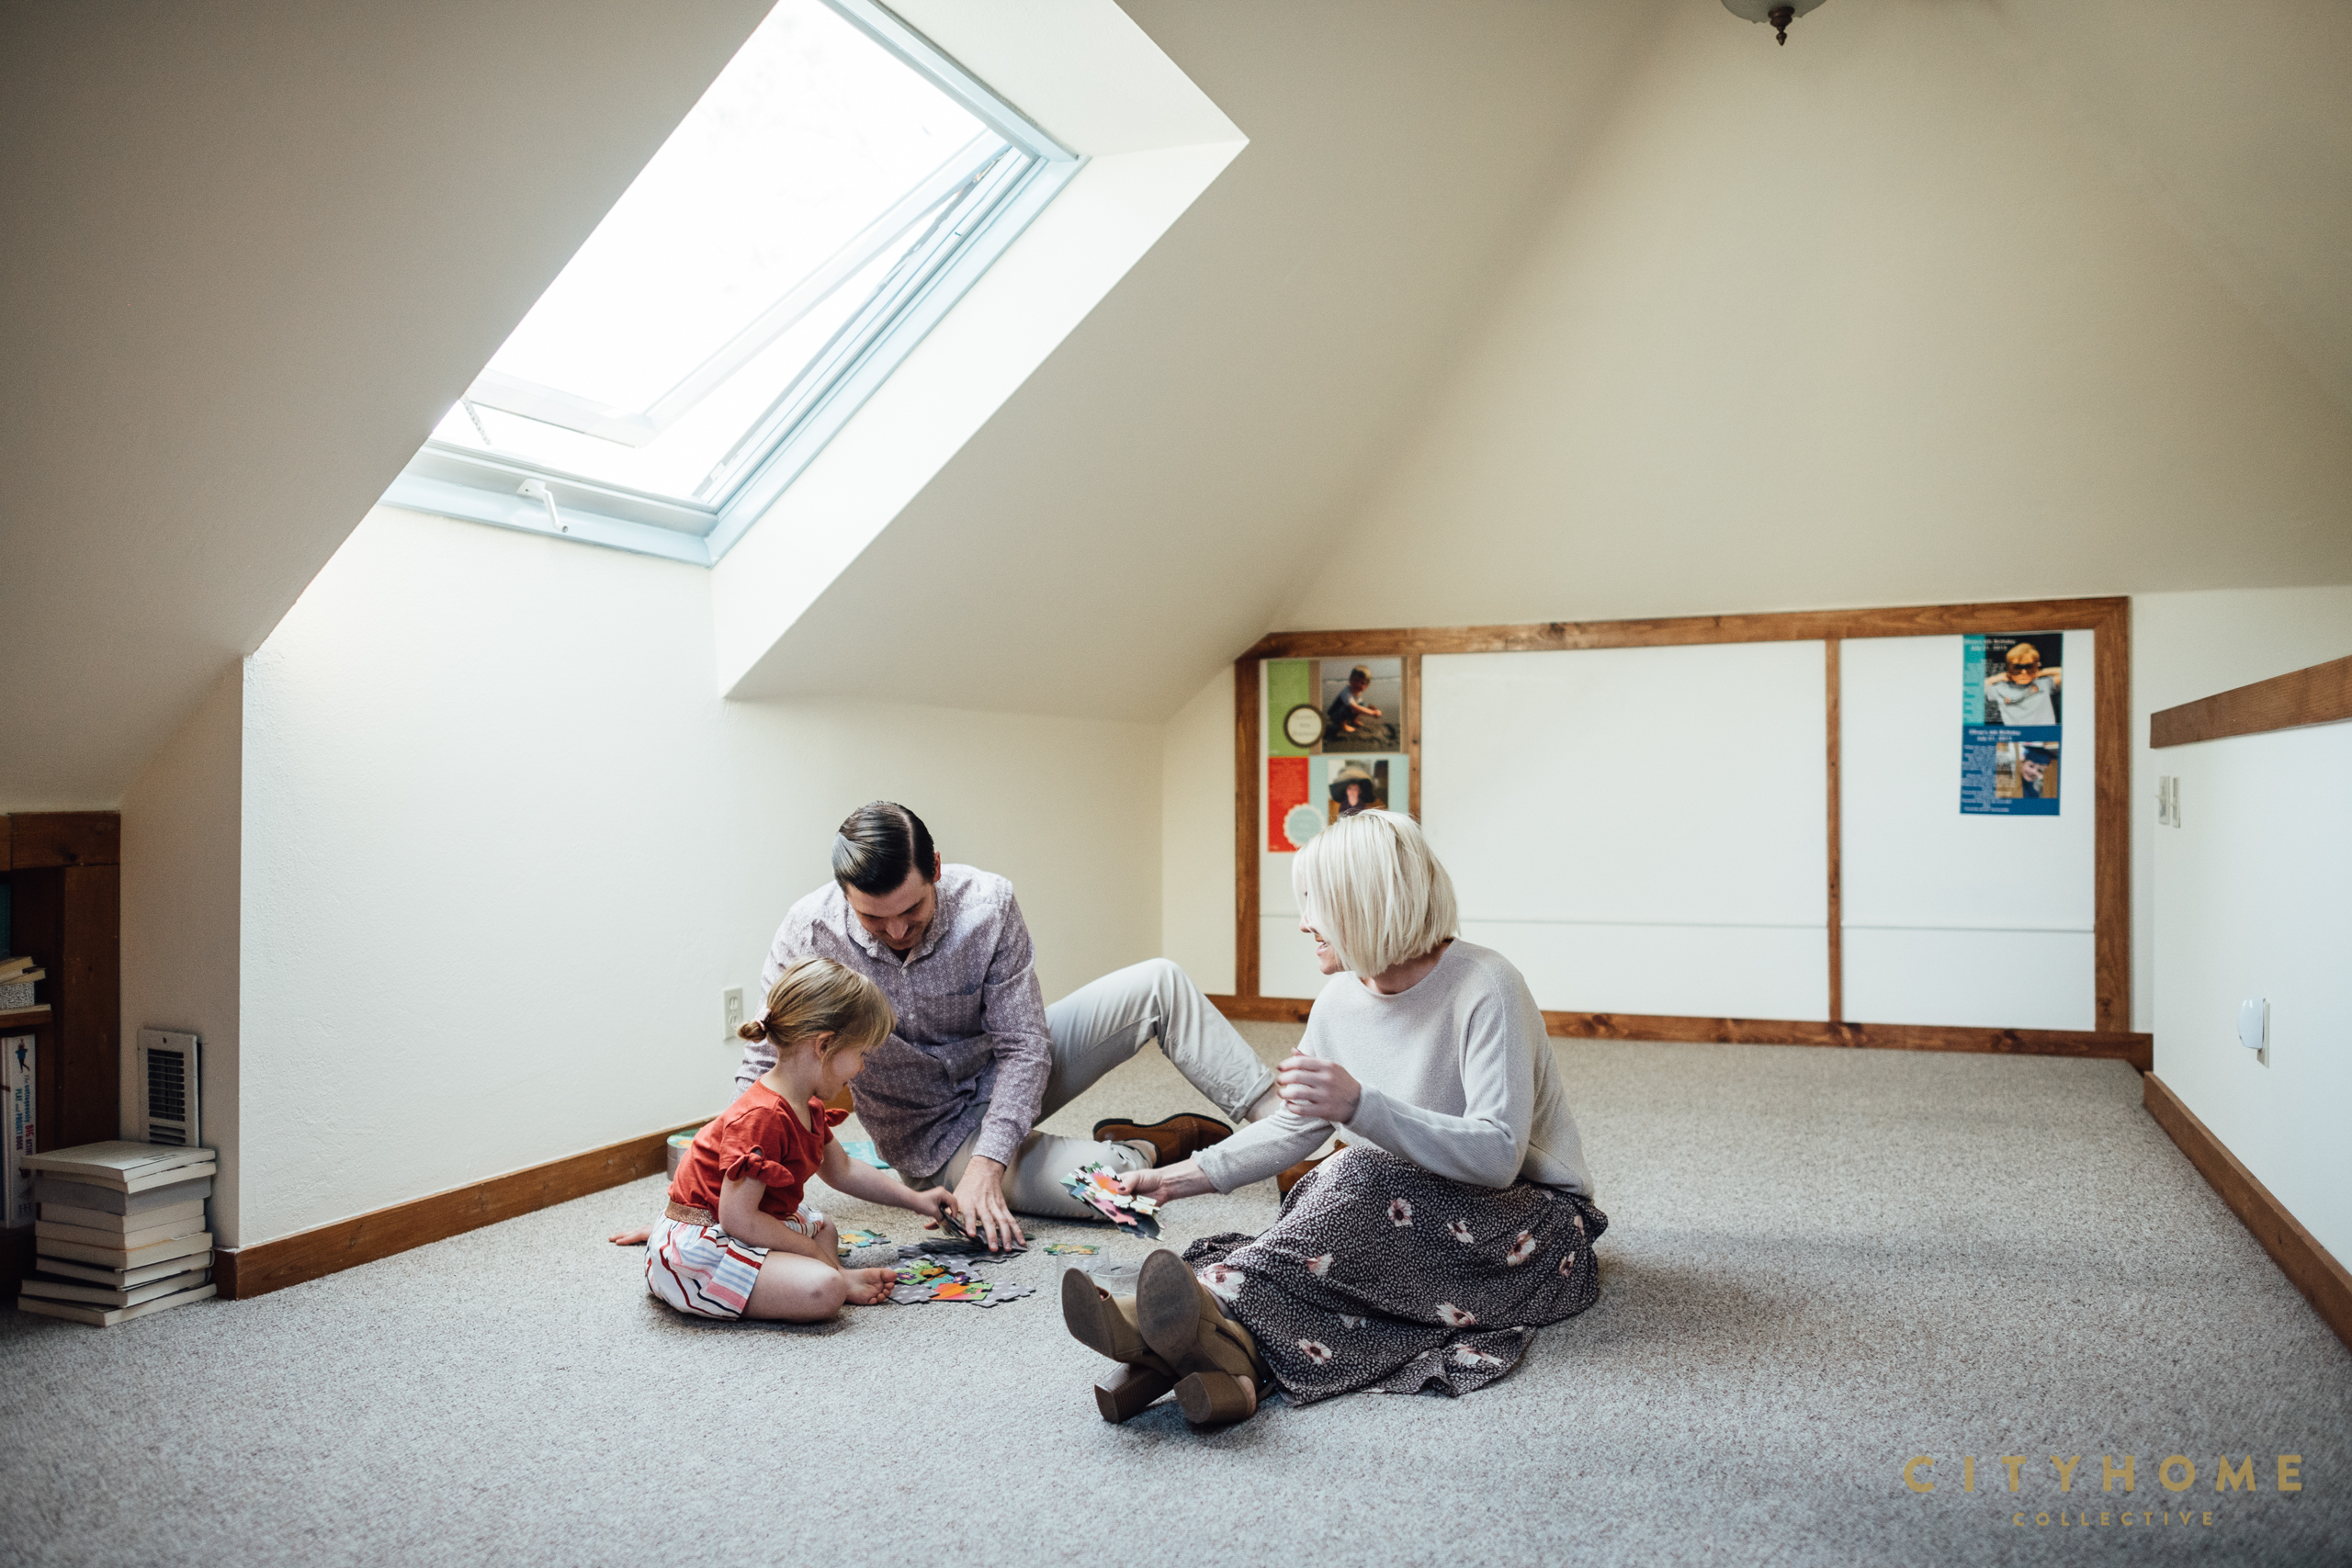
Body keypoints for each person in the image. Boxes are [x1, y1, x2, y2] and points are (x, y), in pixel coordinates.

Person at [1059, 809, 1604, 1426]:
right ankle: (1229, 1367)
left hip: (1534, 1234)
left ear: (1363, 902)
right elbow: (1295, 1126)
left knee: (1351, 1178)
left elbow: (1498, 1156)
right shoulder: (1339, 1000)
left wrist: (1359, 1105)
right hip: (1419, 1211)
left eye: (1313, 902)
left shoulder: (1487, 986)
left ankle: (1178, 1325)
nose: (1302, 922)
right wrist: (1173, 1179)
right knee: (1326, 1196)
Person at [728, 802, 1285, 1253]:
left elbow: (1024, 1046)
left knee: (1159, 981)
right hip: (935, 1140)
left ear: (935, 868)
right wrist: (719, 1185)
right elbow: (764, 1064)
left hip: (1008, 1074)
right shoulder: (809, 931)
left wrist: (988, 1168)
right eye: (874, 918)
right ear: (844, 894)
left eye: (912, 910)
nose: (896, 931)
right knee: (1117, 1194)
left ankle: (1286, 1131)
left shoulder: (988, 904)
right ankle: (1149, 1144)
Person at [645, 957, 947, 1322]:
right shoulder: (763, 1117)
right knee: (825, 1288)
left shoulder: (807, 1105)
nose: (862, 1066)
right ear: (824, 1045)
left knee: (825, 1228)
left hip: (743, 1222)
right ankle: (837, 1279)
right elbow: (737, 1219)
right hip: (703, 1246)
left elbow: (844, 1170)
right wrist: (810, 1253)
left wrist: (917, 1200)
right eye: (862, 1053)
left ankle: (831, 1274)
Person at [1983, 643, 2062, 727]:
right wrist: (2003, 676)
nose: (2024, 672)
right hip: (2018, 733)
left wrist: (2038, 673)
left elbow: (2065, 673)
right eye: (2017, 667)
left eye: (2029, 666)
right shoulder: (2001, 688)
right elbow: (1977, 689)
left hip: (2043, 732)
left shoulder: (2044, 683)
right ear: (2008, 668)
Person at [1325, 664, 1383, 739]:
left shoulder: (1358, 694)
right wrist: (1373, 713)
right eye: (1356, 680)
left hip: (1346, 712)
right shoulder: (1346, 692)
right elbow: (1354, 707)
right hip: (1335, 716)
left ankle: (1354, 721)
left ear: (1366, 686)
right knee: (1350, 707)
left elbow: (1360, 708)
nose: (1358, 684)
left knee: (1360, 705)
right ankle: (1342, 726)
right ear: (1350, 679)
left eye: (1362, 683)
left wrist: (1369, 710)